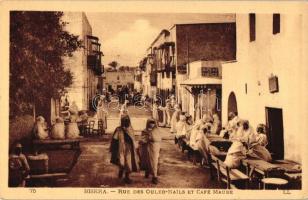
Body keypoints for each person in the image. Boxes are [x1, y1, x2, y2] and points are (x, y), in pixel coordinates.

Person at [110, 115, 139, 184]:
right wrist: (114, 149)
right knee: (122, 161)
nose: (126, 122)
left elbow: (133, 138)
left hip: (129, 148)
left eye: (127, 120)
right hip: (121, 148)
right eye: (124, 120)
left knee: (128, 162)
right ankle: (121, 170)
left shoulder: (130, 129)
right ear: (122, 121)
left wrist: (136, 147)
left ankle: (127, 176)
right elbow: (114, 139)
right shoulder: (119, 129)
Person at [139, 119, 162, 184]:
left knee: (154, 162)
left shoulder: (157, 131)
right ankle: (147, 171)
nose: (152, 124)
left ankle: (155, 177)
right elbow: (142, 139)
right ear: (148, 123)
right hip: (146, 148)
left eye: (153, 123)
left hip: (154, 148)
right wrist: (145, 139)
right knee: (147, 160)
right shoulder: (145, 131)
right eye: (150, 123)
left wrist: (150, 138)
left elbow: (158, 139)